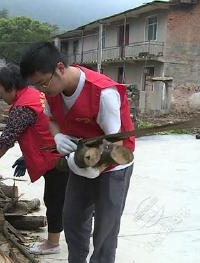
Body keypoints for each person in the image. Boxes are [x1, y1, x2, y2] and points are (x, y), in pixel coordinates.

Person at [20, 41, 135, 263]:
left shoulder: (103, 92)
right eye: (36, 86)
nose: (42, 90)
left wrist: (95, 167)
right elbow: (51, 119)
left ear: (60, 68)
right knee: (73, 219)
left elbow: (113, 143)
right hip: (80, 159)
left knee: (105, 227)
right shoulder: (53, 90)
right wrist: (57, 136)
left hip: (113, 162)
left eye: (43, 84)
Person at [0, 65, 68, 255]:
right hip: (56, 151)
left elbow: (4, 143)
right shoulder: (33, 93)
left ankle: (53, 244)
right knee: (62, 198)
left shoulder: (22, 107)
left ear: (11, 86)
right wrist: (27, 155)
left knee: (54, 200)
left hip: (56, 158)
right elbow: (39, 127)